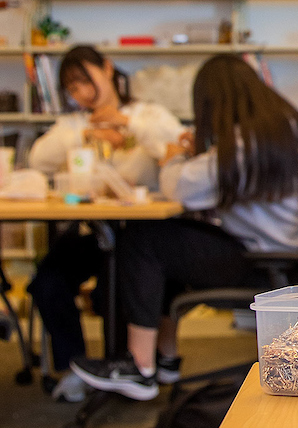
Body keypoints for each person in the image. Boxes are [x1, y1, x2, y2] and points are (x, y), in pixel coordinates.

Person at [71, 55, 298, 400]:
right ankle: (166, 360)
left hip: (261, 264)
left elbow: (179, 187)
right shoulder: (280, 128)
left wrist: (174, 155)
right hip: (281, 255)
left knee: (144, 239)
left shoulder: (244, 144)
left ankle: (140, 366)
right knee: (170, 239)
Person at [26, 45, 184, 401]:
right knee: (47, 283)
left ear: (108, 68)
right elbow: (39, 158)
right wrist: (87, 135)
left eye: (86, 80)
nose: (82, 93)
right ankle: (75, 366)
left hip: (141, 236)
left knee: (116, 288)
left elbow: (174, 148)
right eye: (73, 88)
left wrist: (127, 126)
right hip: (91, 231)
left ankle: (131, 364)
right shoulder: (73, 124)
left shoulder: (148, 113)